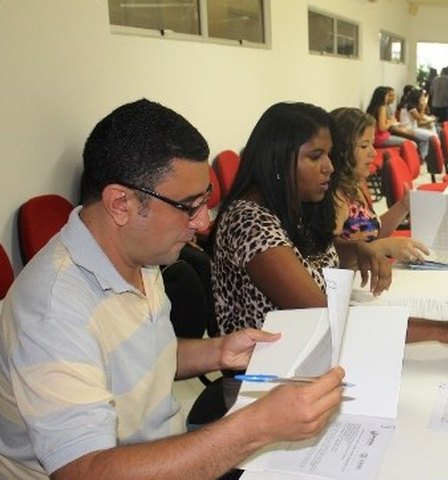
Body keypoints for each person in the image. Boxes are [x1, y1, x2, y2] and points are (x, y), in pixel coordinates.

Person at [0, 99, 345, 480]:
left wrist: (218, 351)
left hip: (162, 453)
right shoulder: (53, 309)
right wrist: (256, 427)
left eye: (205, 202)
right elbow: (85, 471)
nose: (201, 223)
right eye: (188, 206)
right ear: (120, 204)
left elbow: (137, 358)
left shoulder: (140, 255)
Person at [212, 102, 448, 349]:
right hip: (269, 367)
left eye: (329, 154)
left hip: (309, 346)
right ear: (278, 161)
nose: (329, 166)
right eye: (316, 157)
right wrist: (444, 331)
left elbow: (309, 258)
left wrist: (357, 249)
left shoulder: (288, 200)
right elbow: (327, 317)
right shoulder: (250, 223)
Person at [330, 106, 427, 263]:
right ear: (341, 150)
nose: (373, 153)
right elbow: (332, 255)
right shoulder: (336, 195)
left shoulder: (357, 183)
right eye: (364, 146)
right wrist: (383, 247)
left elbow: (373, 233)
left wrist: (403, 205)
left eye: (372, 144)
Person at [397, 88, 438, 158]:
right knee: (432, 136)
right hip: (409, 129)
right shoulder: (409, 107)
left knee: (432, 128)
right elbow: (420, 118)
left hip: (413, 127)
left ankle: (426, 154)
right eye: (422, 98)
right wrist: (423, 107)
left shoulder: (411, 105)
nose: (423, 99)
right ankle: (424, 155)